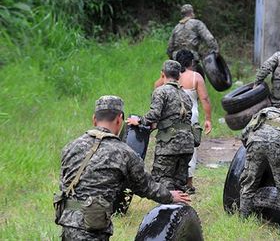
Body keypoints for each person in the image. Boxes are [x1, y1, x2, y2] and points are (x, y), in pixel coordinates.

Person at [55, 95, 190, 240]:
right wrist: (170, 196)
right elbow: (146, 187)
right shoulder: (124, 153)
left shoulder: (70, 147)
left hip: (67, 222)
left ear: (94, 119)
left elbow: (65, 183)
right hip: (92, 228)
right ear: (119, 120)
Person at [239, 95, 280, 236]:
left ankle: (243, 220)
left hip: (255, 144)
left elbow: (244, 134)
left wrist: (252, 152)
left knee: (249, 182)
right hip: (279, 149)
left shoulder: (265, 112)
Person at [127, 60, 195, 192]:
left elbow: (154, 114)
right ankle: (180, 210)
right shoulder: (185, 95)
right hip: (187, 144)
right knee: (179, 181)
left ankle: (166, 210)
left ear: (162, 74)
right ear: (179, 76)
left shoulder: (161, 91)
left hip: (169, 145)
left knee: (162, 179)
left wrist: (140, 121)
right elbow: (179, 119)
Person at [154, 49, 212, 194]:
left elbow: (157, 87)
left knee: (170, 149)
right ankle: (188, 183)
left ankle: (168, 183)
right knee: (189, 149)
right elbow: (204, 98)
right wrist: (208, 119)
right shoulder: (195, 76)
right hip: (191, 116)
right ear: (191, 62)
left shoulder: (168, 77)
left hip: (171, 117)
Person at [167, 4, 219, 77]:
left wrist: (172, 58)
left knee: (178, 79)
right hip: (191, 57)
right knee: (193, 80)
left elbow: (169, 47)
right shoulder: (197, 23)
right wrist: (215, 50)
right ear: (191, 13)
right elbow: (209, 38)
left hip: (177, 57)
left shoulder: (177, 27)